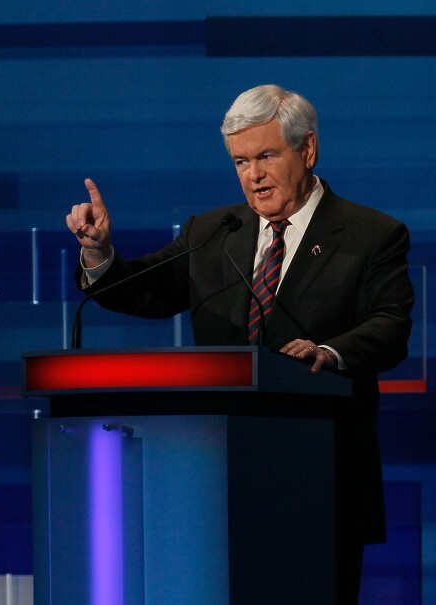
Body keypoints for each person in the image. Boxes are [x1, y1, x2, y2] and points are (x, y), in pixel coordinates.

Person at [66, 84, 413, 602]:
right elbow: (147, 290)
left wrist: (329, 353)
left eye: (267, 156)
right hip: (214, 485)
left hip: (320, 481)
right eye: (240, 161)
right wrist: (101, 255)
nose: (253, 175)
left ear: (308, 150)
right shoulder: (215, 231)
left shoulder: (370, 234)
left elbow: (390, 325)